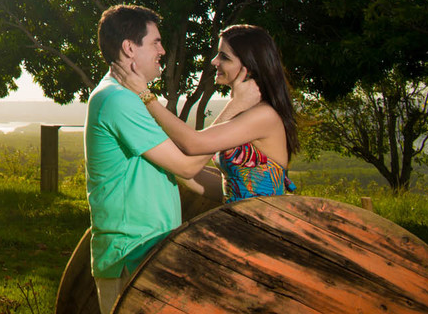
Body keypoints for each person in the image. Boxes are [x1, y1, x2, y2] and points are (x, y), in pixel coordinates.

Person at [85, 5, 213, 314]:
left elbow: (183, 175)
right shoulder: (118, 100)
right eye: (155, 42)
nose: (163, 50)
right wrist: (237, 116)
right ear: (130, 47)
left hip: (146, 254)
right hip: (131, 257)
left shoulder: (126, 98)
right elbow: (185, 165)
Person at [111, 23, 299, 202]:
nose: (214, 61)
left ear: (247, 68)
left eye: (224, 57)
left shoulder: (264, 116)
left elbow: (193, 144)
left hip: (262, 226)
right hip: (241, 221)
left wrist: (145, 95)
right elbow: (232, 186)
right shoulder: (247, 114)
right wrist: (173, 165)